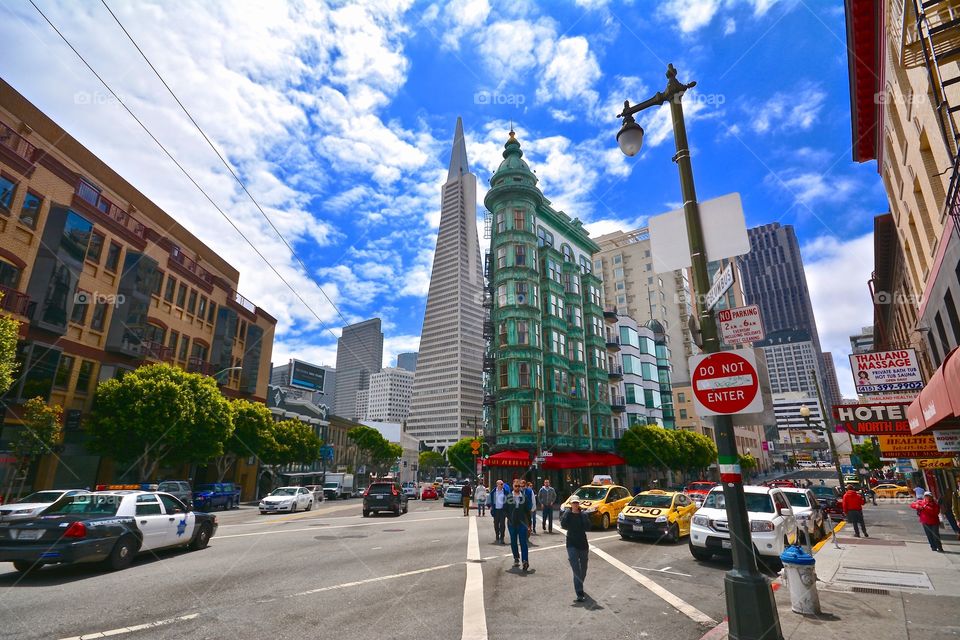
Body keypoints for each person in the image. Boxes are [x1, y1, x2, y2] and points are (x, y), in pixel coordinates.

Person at [561, 496, 591, 603]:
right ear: (571, 504)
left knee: (583, 569)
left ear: (579, 504)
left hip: (583, 543)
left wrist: (585, 516)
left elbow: (588, 527)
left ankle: (579, 584)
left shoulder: (583, 514)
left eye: (577, 503)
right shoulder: (567, 514)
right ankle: (579, 593)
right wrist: (566, 514)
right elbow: (563, 525)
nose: (575, 505)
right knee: (576, 570)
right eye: (573, 503)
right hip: (571, 544)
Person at [505, 478, 531, 572]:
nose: (517, 488)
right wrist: (509, 518)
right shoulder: (508, 497)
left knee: (523, 542)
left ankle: (525, 561)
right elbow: (505, 509)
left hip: (522, 523)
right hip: (512, 523)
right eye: (516, 486)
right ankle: (516, 558)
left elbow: (528, 511)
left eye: (519, 486)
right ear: (513, 486)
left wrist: (529, 525)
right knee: (513, 541)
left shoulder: (523, 497)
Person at [489, 479, 508, 543]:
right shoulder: (493, 492)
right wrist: (490, 507)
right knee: (496, 524)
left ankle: (502, 537)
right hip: (496, 510)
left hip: (503, 511)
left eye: (503, 484)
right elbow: (490, 500)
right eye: (501, 484)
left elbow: (508, 501)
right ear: (497, 484)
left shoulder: (505, 492)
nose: (502, 485)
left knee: (502, 524)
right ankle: (497, 535)